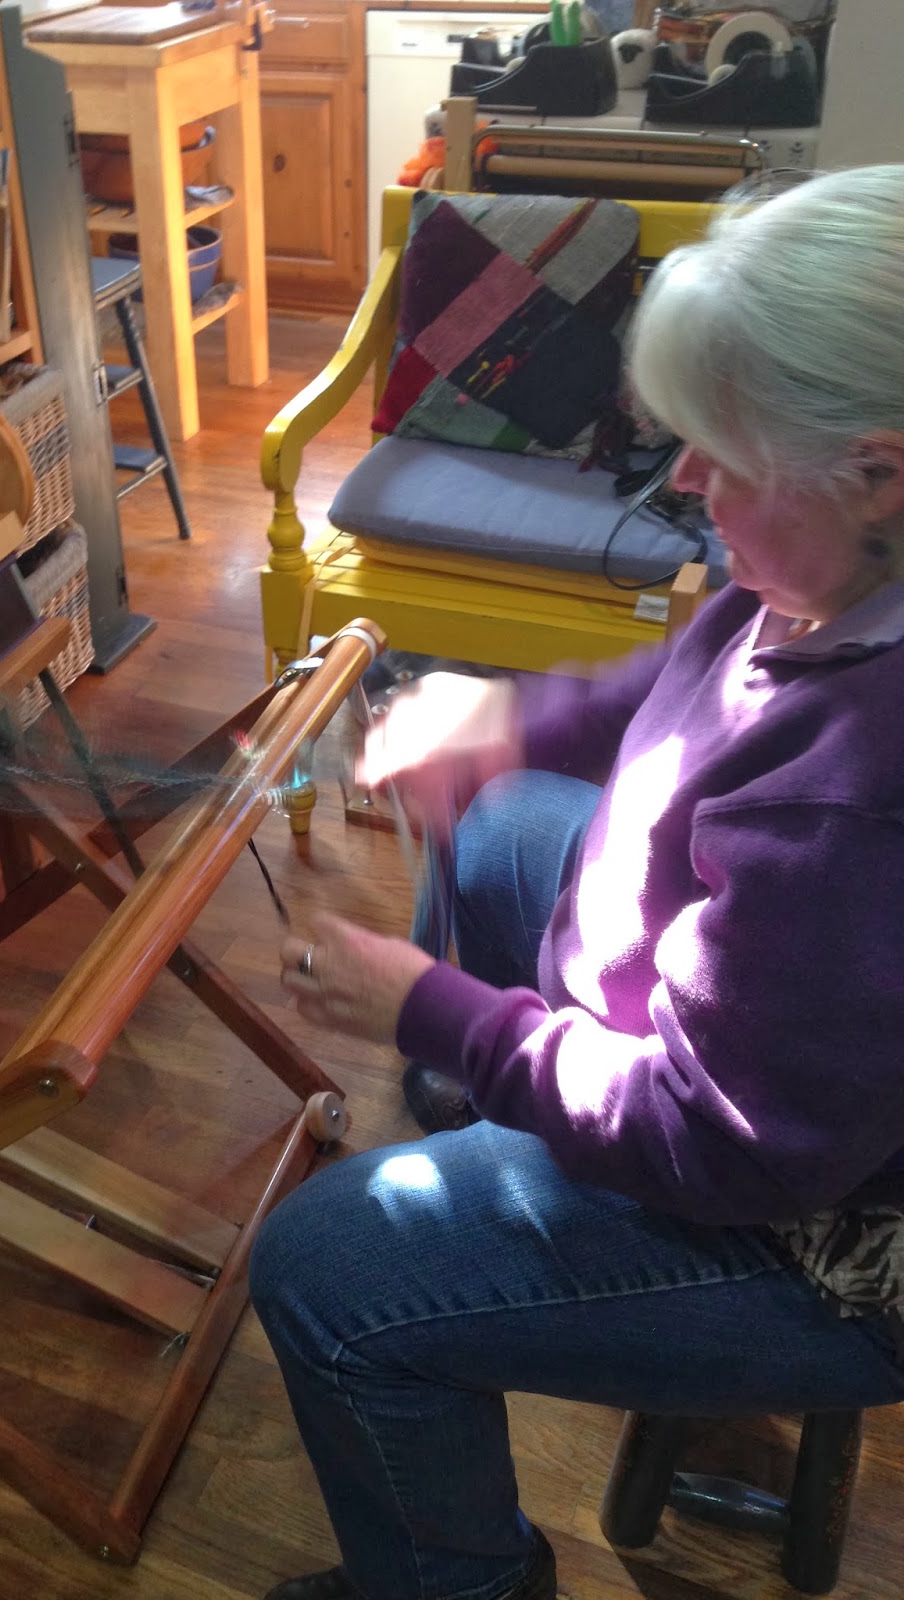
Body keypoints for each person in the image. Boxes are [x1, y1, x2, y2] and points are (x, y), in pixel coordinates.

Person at [249, 165, 904, 1600]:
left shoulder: (864, 795)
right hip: (759, 1068)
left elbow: (726, 1146)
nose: (688, 485)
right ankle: (507, 1127)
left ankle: (460, 1583)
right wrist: (506, 720)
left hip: (817, 1239)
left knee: (326, 1274)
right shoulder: (835, 576)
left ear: (879, 471)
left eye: (720, 455)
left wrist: (435, 1012)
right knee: (498, 830)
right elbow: (691, 689)